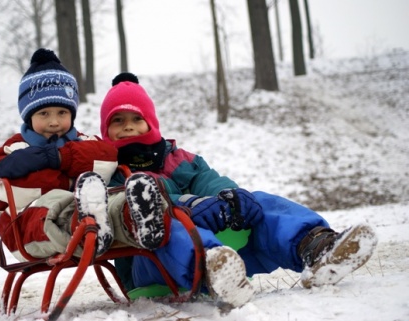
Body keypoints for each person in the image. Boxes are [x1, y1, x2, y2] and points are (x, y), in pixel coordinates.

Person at [97, 72, 378, 307]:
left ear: (151, 122)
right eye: (117, 121)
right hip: (151, 267)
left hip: (220, 252)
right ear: (105, 128)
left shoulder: (180, 159)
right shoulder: (108, 171)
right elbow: (124, 205)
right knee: (165, 219)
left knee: (258, 202)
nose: (128, 127)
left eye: (135, 119)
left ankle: (315, 247)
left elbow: (209, 180)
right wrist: (188, 204)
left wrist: (229, 196)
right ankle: (212, 269)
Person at [0, 49, 165, 261]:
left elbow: (107, 156)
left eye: (62, 113)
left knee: (111, 204)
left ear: (72, 115)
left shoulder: (82, 141)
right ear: (28, 116)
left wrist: (60, 158)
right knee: (60, 202)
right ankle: (87, 230)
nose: (54, 122)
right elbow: (10, 183)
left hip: (83, 210)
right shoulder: (14, 149)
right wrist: (66, 176)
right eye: (44, 114)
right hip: (26, 228)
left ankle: (135, 219)